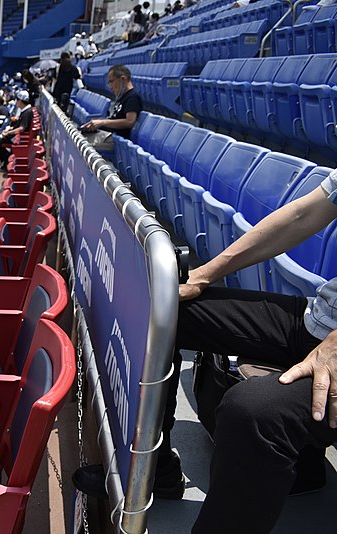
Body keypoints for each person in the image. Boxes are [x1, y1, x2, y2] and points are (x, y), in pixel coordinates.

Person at [75, 169, 337, 533]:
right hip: (319, 319)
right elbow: (301, 215)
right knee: (166, 312)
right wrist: (206, 274)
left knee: (253, 411)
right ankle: (156, 469)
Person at [79, 64, 143, 150]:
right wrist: (98, 123)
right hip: (107, 134)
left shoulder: (133, 97)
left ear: (122, 79)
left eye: (111, 82)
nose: (110, 87)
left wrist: (103, 123)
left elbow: (130, 121)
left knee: (81, 144)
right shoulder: (122, 97)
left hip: (116, 139)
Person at [0, 90, 34, 170]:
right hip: (17, 137)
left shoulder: (27, 112)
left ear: (19, 101)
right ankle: (6, 162)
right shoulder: (26, 111)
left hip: (19, 138)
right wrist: (11, 129)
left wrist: (8, 132)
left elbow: (22, 128)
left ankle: (6, 161)